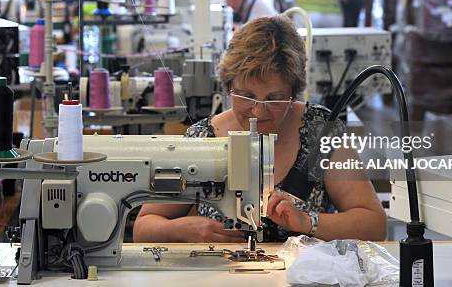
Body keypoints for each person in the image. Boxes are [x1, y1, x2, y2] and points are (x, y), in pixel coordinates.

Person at [134, 16, 387, 243]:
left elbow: (374, 224)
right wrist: (182, 229)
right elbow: (144, 226)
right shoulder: (201, 139)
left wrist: (307, 222)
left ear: (293, 93)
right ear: (228, 84)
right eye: (246, 96)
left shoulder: (322, 132)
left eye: (275, 99)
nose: (259, 112)